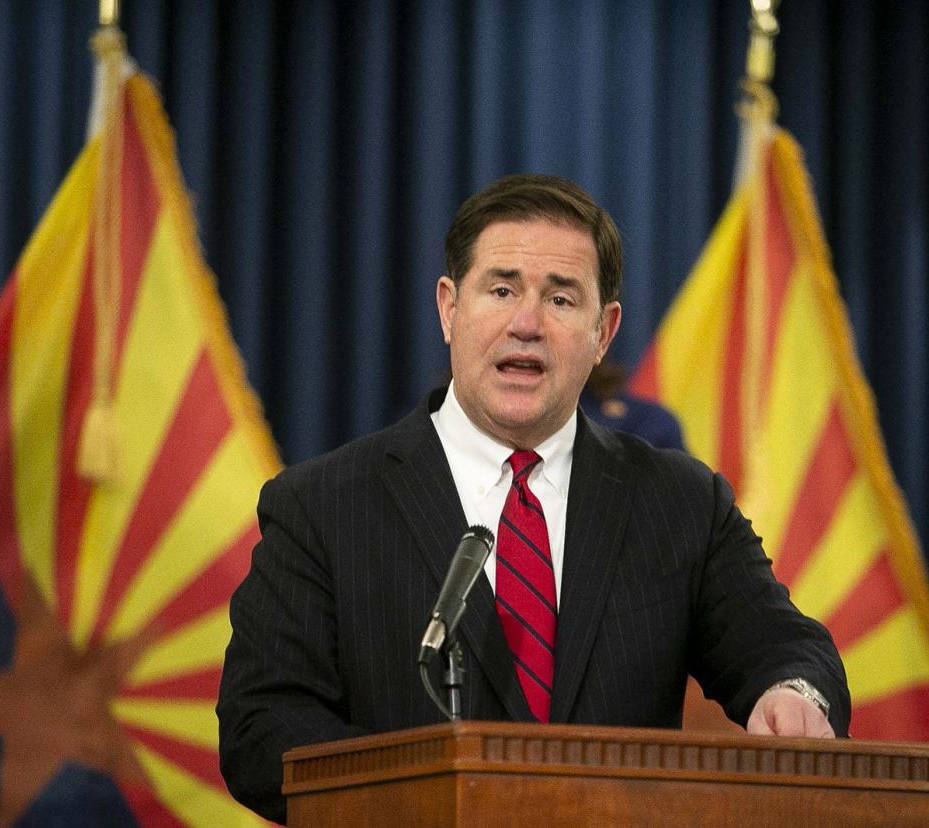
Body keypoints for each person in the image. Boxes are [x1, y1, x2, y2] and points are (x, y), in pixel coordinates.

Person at [217, 174, 849, 823]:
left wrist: (792, 691)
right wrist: (435, 799)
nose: (527, 324)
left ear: (603, 331)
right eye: (501, 289)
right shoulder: (322, 506)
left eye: (561, 299)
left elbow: (782, 647)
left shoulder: (682, 502)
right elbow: (261, 727)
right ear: (448, 308)